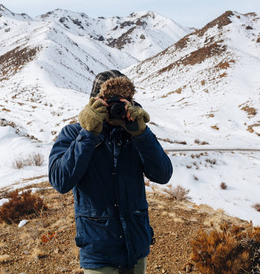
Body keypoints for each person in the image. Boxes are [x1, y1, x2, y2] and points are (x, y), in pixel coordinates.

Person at [49, 70, 173, 273]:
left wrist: (142, 134)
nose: (114, 108)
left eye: (121, 102)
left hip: (136, 245)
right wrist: (88, 133)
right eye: (108, 102)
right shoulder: (74, 133)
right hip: (99, 249)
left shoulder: (135, 132)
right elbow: (60, 181)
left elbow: (163, 174)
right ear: (94, 102)